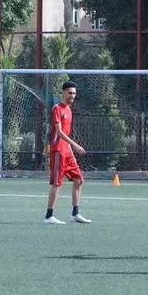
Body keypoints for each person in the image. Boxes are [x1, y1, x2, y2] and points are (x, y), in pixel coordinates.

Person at [44, 81, 91, 225]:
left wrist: (71, 151)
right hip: (58, 151)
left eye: (74, 93)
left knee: (79, 179)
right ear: (63, 93)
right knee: (57, 183)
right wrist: (75, 145)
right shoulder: (57, 109)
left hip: (67, 151)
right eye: (70, 93)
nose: (72, 96)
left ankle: (75, 213)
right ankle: (48, 216)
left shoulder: (69, 110)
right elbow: (59, 133)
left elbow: (66, 133)